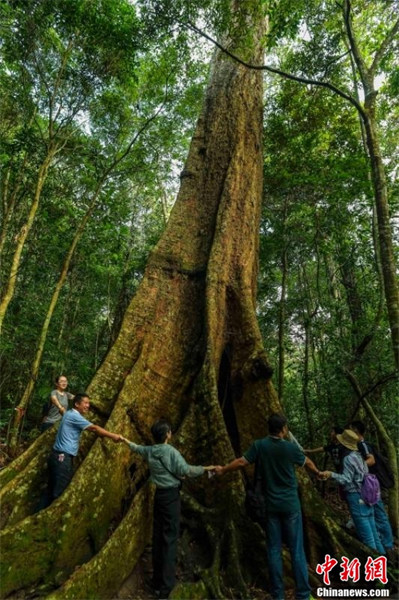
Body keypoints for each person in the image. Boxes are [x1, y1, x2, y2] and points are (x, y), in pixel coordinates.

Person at [215, 413, 321, 600]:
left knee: (273, 550)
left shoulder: (260, 446)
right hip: (291, 507)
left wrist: (223, 469)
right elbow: (308, 463)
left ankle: (278, 595)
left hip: (271, 506)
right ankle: (303, 594)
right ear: (283, 429)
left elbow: (241, 462)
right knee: (297, 550)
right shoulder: (290, 448)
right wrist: (318, 473)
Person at [121, 419, 217, 599]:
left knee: (158, 536)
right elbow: (186, 470)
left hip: (159, 497)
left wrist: (123, 439)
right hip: (171, 497)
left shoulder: (149, 450)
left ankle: (158, 581)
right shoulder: (171, 452)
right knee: (170, 538)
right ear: (167, 434)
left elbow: (136, 447)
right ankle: (166, 587)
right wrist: (206, 469)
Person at [319, 429, 385, 554]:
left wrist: (330, 474)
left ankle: (377, 569)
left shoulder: (348, 458)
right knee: (375, 536)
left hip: (356, 497)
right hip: (366, 496)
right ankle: (385, 564)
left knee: (368, 539)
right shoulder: (359, 456)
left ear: (343, 443)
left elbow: (346, 479)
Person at [47, 393, 122, 503]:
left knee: (50, 490)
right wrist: (113, 436)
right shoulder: (74, 416)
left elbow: (63, 412)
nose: (88, 406)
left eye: (89, 403)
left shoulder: (68, 413)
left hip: (57, 455)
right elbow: (94, 428)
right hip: (62, 457)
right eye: (85, 403)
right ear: (77, 404)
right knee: (59, 492)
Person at [350, 421, 394, 554]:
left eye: (351, 430)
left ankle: (388, 545)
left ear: (356, 431)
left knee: (379, 512)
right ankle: (383, 543)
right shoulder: (358, 445)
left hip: (371, 485)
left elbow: (371, 460)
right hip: (369, 484)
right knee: (374, 512)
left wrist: (357, 466)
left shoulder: (363, 444)